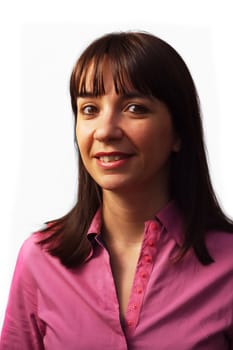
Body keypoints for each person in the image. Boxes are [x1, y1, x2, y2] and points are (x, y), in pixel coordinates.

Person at [1, 30, 233, 350]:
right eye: (90, 109)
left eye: (135, 108)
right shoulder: (40, 259)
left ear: (179, 132)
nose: (105, 131)